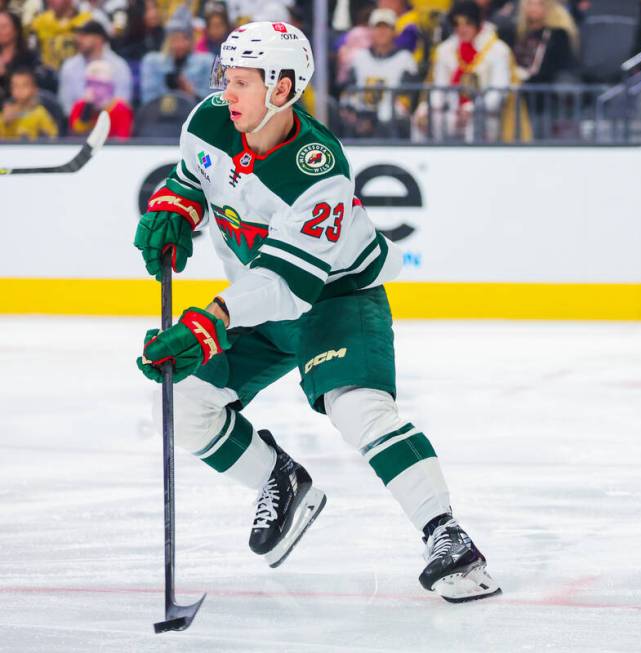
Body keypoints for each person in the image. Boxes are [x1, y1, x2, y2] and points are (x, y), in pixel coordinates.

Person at [132, 20, 500, 603]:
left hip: (334, 298)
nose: (227, 92)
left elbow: (288, 283)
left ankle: (447, 536)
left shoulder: (317, 170)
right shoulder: (208, 121)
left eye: (244, 83)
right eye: (226, 78)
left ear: (282, 90)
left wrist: (210, 322)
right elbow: (192, 181)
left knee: (357, 408)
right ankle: (278, 477)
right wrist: (175, 211)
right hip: (255, 298)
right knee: (180, 401)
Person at [415, 0, 514, 142]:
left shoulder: (497, 50)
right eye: (457, 24)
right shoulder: (445, 50)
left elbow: (499, 91)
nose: (462, 29)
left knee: (474, 121)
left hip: (486, 116)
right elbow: (439, 87)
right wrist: (429, 109)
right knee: (423, 116)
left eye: (468, 23)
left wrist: (472, 109)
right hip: (452, 112)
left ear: (478, 23)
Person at [342, 7, 418, 137]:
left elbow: (407, 97)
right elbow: (349, 91)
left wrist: (379, 118)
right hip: (362, 118)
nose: (382, 32)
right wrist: (358, 114)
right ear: (371, 31)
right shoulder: (360, 57)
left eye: (386, 27)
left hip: (393, 121)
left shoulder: (405, 59)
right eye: (377, 27)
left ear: (394, 31)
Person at [140, 6, 215, 104]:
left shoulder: (209, 60)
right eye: (175, 39)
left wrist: (192, 92)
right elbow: (147, 101)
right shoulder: (151, 61)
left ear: (192, 40)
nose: (180, 44)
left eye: (184, 38)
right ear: (168, 40)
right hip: (161, 114)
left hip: (197, 114)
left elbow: (216, 100)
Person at [58, 19, 132, 114]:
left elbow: (123, 103)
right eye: (77, 35)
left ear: (99, 38)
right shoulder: (69, 67)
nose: (78, 39)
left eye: (84, 35)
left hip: (111, 122)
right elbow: (66, 107)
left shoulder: (119, 66)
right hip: (79, 123)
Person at [512, 0, 577, 84]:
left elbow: (562, 66)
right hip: (516, 84)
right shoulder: (514, 33)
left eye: (540, 4)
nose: (534, 8)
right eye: (530, 4)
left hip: (546, 87)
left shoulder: (558, 35)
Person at [68, 58, 132, 137]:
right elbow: (75, 136)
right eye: (90, 84)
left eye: (100, 85)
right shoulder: (79, 106)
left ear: (110, 87)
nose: (94, 90)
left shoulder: (121, 109)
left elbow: (123, 141)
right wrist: (87, 110)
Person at [28, 0, 92, 72]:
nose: (50, 1)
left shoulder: (86, 21)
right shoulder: (40, 21)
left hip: (77, 73)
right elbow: (32, 49)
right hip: (48, 77)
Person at [0, 66, 58, 139]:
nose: (19, 90)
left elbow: (53, 137)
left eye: (24, 86)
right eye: (15, 86)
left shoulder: (40, 113)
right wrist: (5, 123)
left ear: (34, 89)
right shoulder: (7, 112)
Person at [0, 10, 44, 105]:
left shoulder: (29, 57)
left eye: (4, 27)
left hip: (21, 106)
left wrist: (4, 75)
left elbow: (29, 86)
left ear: (16, 30)